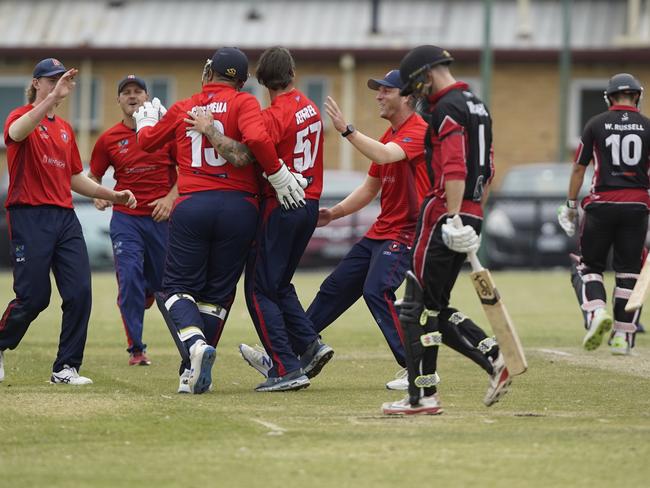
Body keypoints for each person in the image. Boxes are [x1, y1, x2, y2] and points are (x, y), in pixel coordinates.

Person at [240, 68, 427, 391]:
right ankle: (301, 352)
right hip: (382, 231)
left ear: (408, 97)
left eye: (386, 91)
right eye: (378, 90)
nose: (379, 96)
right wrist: (334, 213)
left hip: (408, 232)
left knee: (377, 289)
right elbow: (370, 189)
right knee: (334, 289)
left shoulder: (419, 131)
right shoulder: (389, 134)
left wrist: (347, 131)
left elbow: (385, 155)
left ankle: (418, 366)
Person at [136, 47, 305, 394]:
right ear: (241, 80)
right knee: (216, 296)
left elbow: (148, 144)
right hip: (241, 208)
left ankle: (195, 348)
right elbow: (254, 142)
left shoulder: (185, 106)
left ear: (209, 71)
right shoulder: (244, 103)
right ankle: (192, 372)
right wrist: (277, 173)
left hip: (195, 203)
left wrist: (145, 122)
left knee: (174, 288)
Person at [191, 47, 333, 392]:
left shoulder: (272, 116)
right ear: (293, 73)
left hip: (281, 203)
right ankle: (310, 344)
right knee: (279, 283)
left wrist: (211, 131)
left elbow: (248, 150)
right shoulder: (310, 108)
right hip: (310, 202)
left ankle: (285, 367)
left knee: (258, 289)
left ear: (259, 80)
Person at [381, 45, 511, 415]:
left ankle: (423, 396)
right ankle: (486, 359)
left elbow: (454, 166)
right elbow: (487, 169)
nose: (414, 94)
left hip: (443, 212)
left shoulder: (446, 109)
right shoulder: (478, 105)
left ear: (426, 74)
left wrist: (452, 215)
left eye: (413, 85)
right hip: (470, 212)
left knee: (415, 305)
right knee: (434, 306)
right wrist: (470, 214)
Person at [0, 58, 136, 385]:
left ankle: (65, 368)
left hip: (64, 217)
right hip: (29, 215)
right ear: (36, 83)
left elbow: (74, 177)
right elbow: (16, 134)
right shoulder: (21, 117)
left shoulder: (64, 129)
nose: (58, 85)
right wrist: (49, 98)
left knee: (79, 292)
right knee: (34, 297)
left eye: (61, 81)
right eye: (50, 80)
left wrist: (112, 193)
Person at [89, 75, 179, 366]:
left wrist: (169, 200)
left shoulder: (165, 133)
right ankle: (136, 349)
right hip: (126, 220)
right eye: (125, 92)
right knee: (128, 280)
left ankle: (187, 344)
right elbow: (93, 177)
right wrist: (99, 195)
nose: (132, 96)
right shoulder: (108, 139)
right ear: (118, 100)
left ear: (147, 97)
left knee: (163, 285)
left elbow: (187, 171)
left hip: (160, 219)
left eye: (137, 91)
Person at [558, 73, 650, 356]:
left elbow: (578, 168)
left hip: (601, 204)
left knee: (589, 267)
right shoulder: (648, 126)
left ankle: (596, 313)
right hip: (637, 207)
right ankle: (623, 338)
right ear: (637, 96)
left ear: (610, 98)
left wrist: (571, 204)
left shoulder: (596, 124)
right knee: (629, 274)